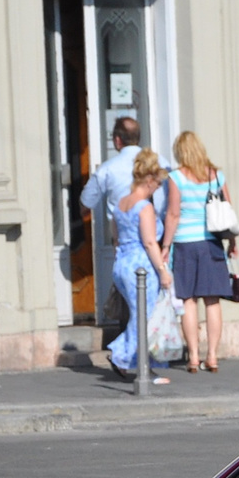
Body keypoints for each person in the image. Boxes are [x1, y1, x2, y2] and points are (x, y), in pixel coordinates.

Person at [79, 118, 166, 330]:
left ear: (117, 140)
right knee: (152, 301)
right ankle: (141, 349)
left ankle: (128, 347)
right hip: (155, 238)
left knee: (127, 298)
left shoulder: (107, 169)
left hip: (124, 243)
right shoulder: (161, 163)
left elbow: (85, 203)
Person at [162, 131, 235, 373]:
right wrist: (233, 242)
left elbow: (173, 214)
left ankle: (193, 356)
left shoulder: (176, 177)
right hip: (211, 242)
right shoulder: (215, 175)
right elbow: (228, 210)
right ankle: (212, 355)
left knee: (188, 301)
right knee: (212, 301)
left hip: (184, 243)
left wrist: (165, 246)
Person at [107, 149, 173, 384]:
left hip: (121, 265)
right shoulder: (144, 207)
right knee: (145, 318)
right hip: (141, 268)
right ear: (149, 180)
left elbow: (116, 238)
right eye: (157, 184)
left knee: (140, 316)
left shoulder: (120, 204)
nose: (157, 188)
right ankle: (122, 355)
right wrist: (163, 271)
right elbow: (148, 241)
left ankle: (144, 364)